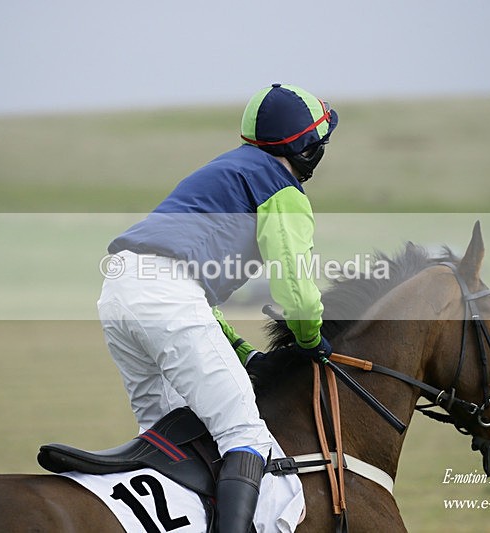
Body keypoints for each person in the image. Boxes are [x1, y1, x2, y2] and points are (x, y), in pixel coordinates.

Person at [98, 83, 337, 532]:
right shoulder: (282, 190)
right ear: (307, 149)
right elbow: (296, 291)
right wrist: (310, 340)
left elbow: (186, 287)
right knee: (245, 436)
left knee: (171, 439)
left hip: (119, 289)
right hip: (166, 298)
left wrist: (241, 350)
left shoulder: (226, 168)